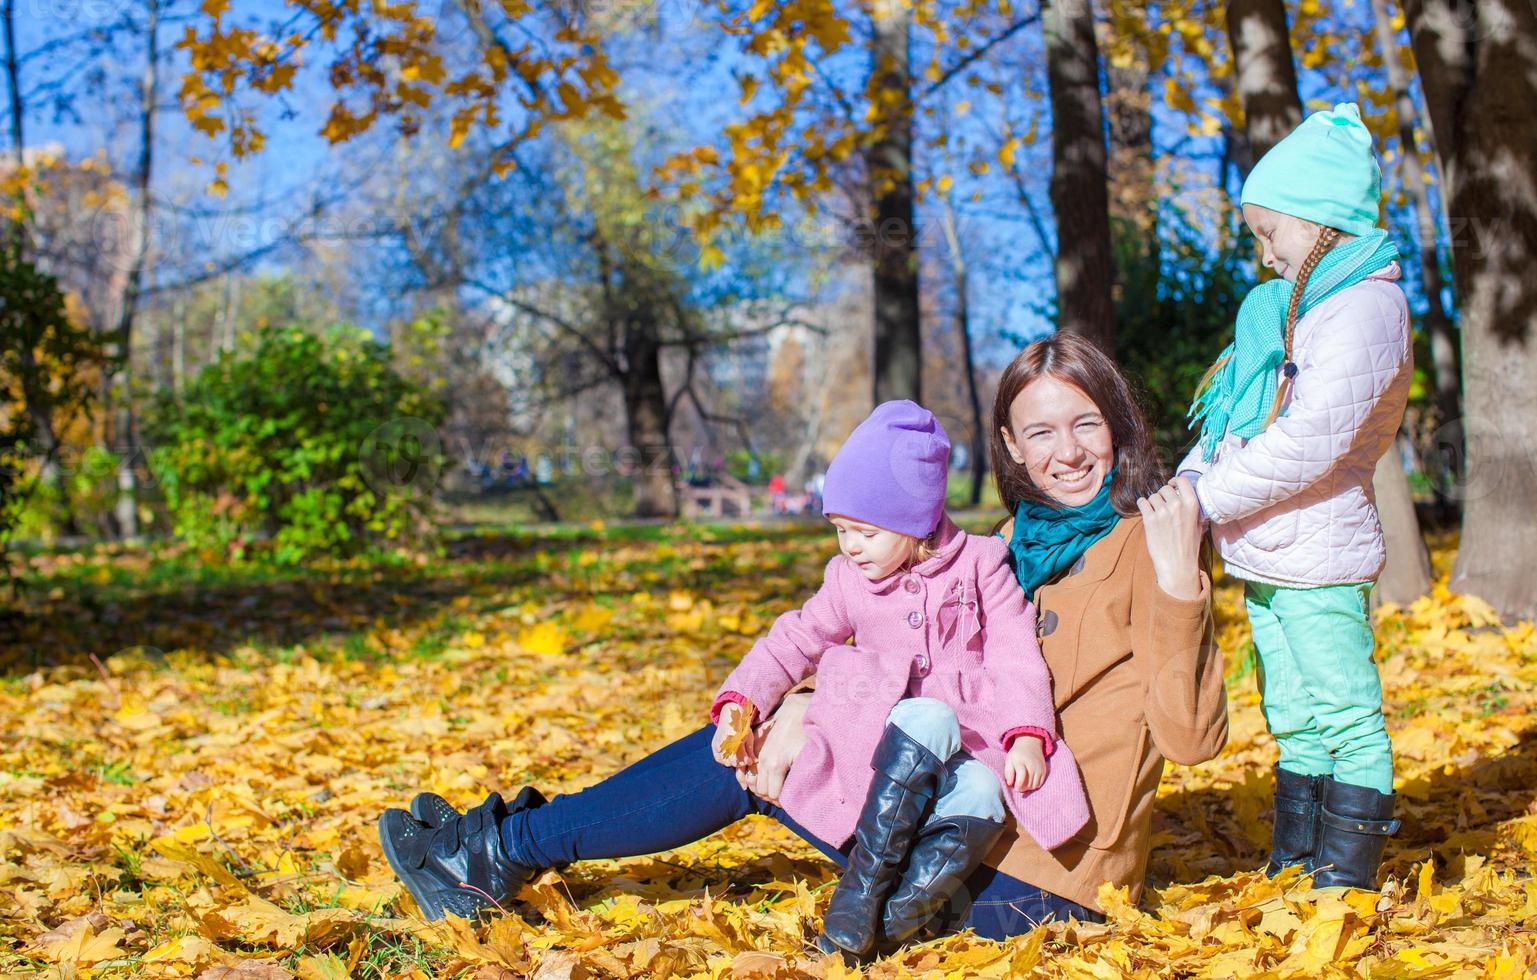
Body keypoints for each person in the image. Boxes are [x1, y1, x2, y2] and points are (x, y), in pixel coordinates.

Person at [376, 339, 1224, 939]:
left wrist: (1182, 577)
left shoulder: (1146, 544)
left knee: (752, 763)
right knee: (764, 731)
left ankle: (499, 853)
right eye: (1039, 431)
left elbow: (1191, 741)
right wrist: (807, 699)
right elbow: (918, 670)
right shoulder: (1004, 546)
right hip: (954, 816)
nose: (1066, 452)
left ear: (1118, 424)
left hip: (1038, 874)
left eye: (1084, 424)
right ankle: (506, 845)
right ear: (1008, 444)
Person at [707, 401, 1087, 959]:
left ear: (915, 522)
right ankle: (857, 899)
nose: (850, 546)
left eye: (864, 531)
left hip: (967, 744)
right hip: (883, 745)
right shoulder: (848, 580)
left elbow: (1014, 654)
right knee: (926, 714)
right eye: (840, 530)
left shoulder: (982, 564)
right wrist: (743, 698)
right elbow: (796, 638)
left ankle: (891, 923)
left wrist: (1027, 731)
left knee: (984, 791)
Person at [1178, 102, 1410, 891]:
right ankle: (1297, 857)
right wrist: (1185, 482)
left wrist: (1205, 499)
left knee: (1344, 712)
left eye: (1269, 233)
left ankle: (1346, 875)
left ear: (1318, 225)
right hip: (1270, 549)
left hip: (1318, 544)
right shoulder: (1291, 315)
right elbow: (1235, 425)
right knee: (1294, 713)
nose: (1264, 255)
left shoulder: (1364, 310)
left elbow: (1311, 439)